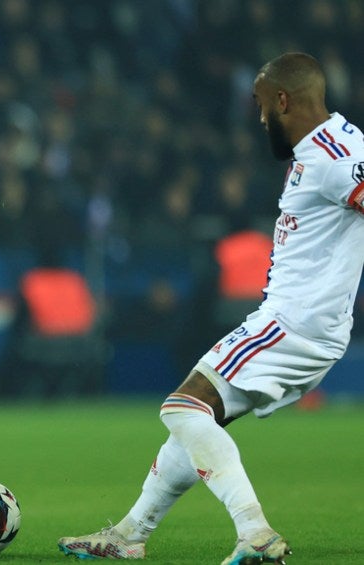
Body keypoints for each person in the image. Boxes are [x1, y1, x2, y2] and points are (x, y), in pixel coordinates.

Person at [58, 52, 363, 564]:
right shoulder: (326, 147)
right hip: (306, 325)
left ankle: (255, 533)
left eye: (263, 105)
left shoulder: (334, 154)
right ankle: (131, 533)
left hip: (292, 324)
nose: (261, 117)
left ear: (283, 100)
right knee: (200, 420)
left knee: (181, 408)